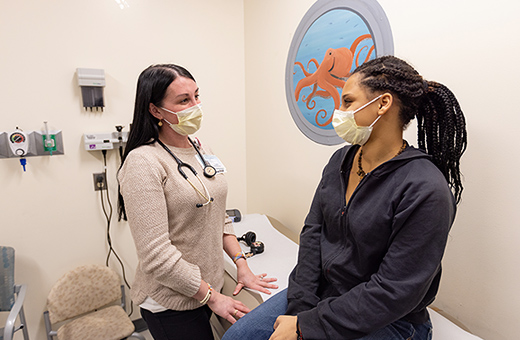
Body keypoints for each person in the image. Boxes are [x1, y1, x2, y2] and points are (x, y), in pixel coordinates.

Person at [222, 55, 467, 340]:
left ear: (383, 104)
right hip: (325, 296)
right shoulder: (342, 160)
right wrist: (300, 310)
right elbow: (314, 233)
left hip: (389, 318)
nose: (339, 111)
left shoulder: (425, 188)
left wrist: (305, 327)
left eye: (348, 102)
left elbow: (395, 290)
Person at [117, 64, 278, 340]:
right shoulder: (143, 162)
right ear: (155, 110)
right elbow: (156, 256)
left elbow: (219, 214)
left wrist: (242, 266)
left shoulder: (201, 149)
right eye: (184, 100)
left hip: (206, 289)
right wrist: (212, 297)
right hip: (170, 301)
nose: (196, 106)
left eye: (196, 96)